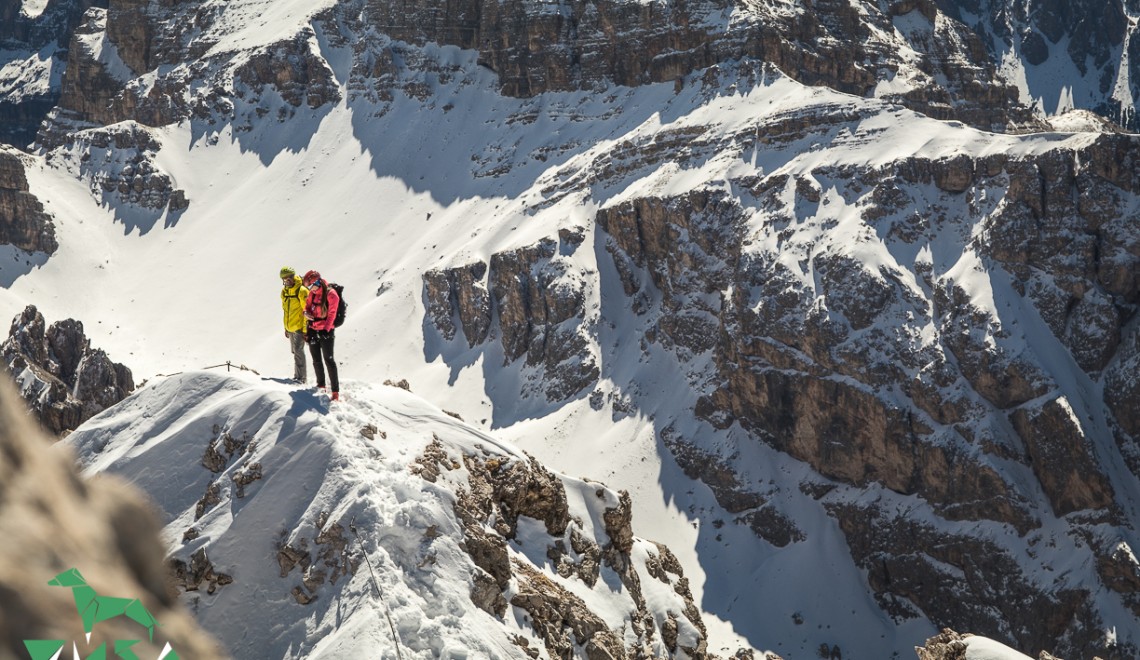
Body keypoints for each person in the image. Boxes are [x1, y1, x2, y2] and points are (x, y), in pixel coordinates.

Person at [302, 269, 340, 400]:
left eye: (311, 286)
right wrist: (305, 313)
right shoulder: (312, 294)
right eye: (308, 287)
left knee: (329, 360)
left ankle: (335, 392)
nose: (310, 289)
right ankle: (321, 385)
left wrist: (327, 329)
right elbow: (306, 307)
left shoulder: (331, 294)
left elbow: (332, 314)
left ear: (318, 281)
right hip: (313, 328)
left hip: (326, 331)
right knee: (316, 360)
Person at [280, 266, 309, 384]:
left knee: (298, 351)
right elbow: (285, 310)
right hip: (290, 327)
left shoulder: (302, 291)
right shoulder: (284, 292)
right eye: (285, 279)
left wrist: (305, 329)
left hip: (299, 327)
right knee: (295, 351)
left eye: (289, 278)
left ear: (293, 277)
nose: (287, 281)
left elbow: (306, 311)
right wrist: (286, 328)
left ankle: (301, 378)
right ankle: (297, 376)